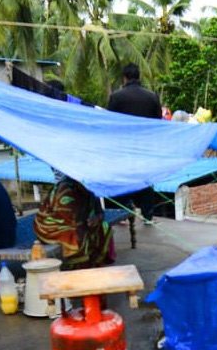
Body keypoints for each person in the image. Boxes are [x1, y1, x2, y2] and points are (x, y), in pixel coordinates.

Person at [107, 63, 161, 223]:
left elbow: (110, 123)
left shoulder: (116, 97)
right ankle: (148, 216)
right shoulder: (151, 96)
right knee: (145, 180)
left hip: (123, 146)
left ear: (124, 78)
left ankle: (122, 215)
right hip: (145, 146)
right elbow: (158, 122)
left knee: (123, 178)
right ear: (139, 77)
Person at [34, 172, 116, 269]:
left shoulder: (91, 189)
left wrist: (97, 218)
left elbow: (100, 212)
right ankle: (78, 266)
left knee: (103, 227)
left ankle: (94, 259)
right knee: (78, 235)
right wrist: (87, 222)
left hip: (79, 222)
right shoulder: (65, 190)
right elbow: (70, 219)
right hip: (53, 225)